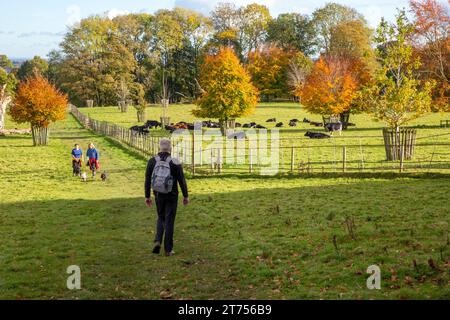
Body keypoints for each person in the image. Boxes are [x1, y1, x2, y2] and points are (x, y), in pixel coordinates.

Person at [145, 138, 189, 256]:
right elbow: (182, 180)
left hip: (158, 194)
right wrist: (186, 196)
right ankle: (168, 249)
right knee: (169, 220)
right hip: (172, 195)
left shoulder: (152, 161)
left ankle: (158, 240)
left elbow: (147, 180)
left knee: (161, 217)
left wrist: (147, 196)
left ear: (159, 147)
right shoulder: (175, 162)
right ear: (170, 148)